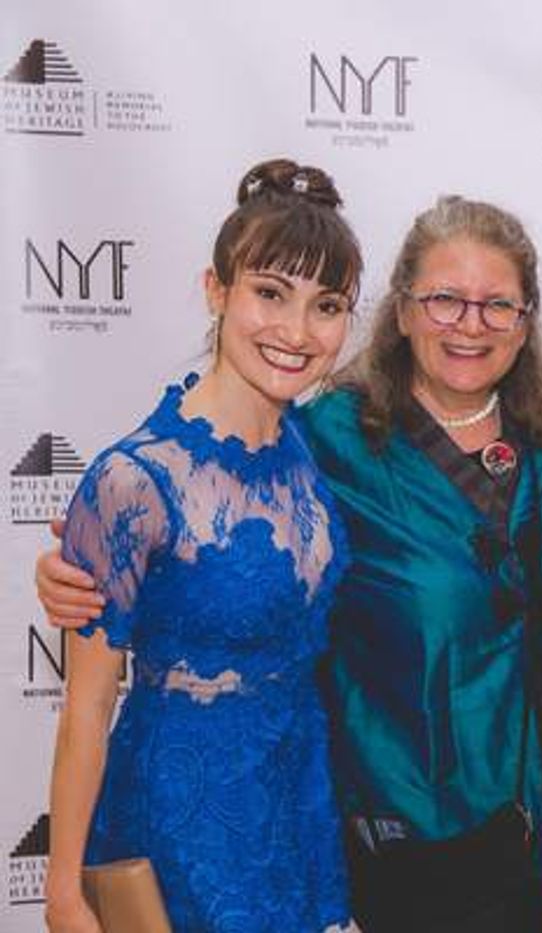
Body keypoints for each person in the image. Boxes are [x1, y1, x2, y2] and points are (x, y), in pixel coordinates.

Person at [39, 196, 542, 932]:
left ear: (527, 322)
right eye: (444, 299)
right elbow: (163, 535)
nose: (470, 323)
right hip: (366, 816)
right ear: (400, 311)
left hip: (498, 807)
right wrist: (71, 575)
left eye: (498, 305)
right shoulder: (331, 436)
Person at [44, 158, 362, 933]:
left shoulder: (308, 449)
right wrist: (62, 892)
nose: (296, 331)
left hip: (298, 814)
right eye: (269, 293)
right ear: (216, 291)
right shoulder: (132, 479)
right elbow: (86, 703)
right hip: (181, 826)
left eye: (327, 305)